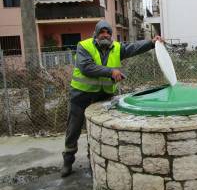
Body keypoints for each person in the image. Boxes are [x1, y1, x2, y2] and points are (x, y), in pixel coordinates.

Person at [61, 19, 163, 177]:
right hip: (81, 95)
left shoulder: (116, 47)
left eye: (108, 32)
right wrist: (111, 72)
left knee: (95, 129)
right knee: (73, 129)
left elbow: (133, 47)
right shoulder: (84, 46)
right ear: (96, 34)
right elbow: (86, 67)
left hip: (103, 96)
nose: (105, 35)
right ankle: (68, 162)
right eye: (102, 32)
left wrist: (151, 42)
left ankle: (93, 159)